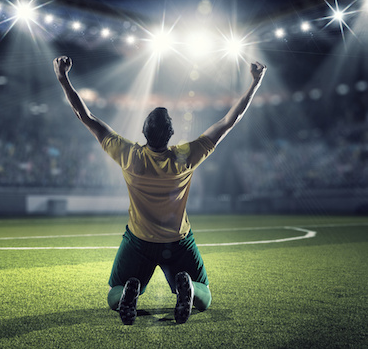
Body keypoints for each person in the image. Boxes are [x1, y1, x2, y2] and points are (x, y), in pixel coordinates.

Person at [53, 55, 267, 325]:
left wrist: (64, 78)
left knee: (113, 296)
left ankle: (129, 292)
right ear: (171, 134)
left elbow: (86, 116)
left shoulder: (130, 156)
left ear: (144, 132)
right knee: (206, 297)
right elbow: (229, 121)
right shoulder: (185, 156)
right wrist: (255, 83)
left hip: (139, 241)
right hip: (178, 241)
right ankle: (186, 286)